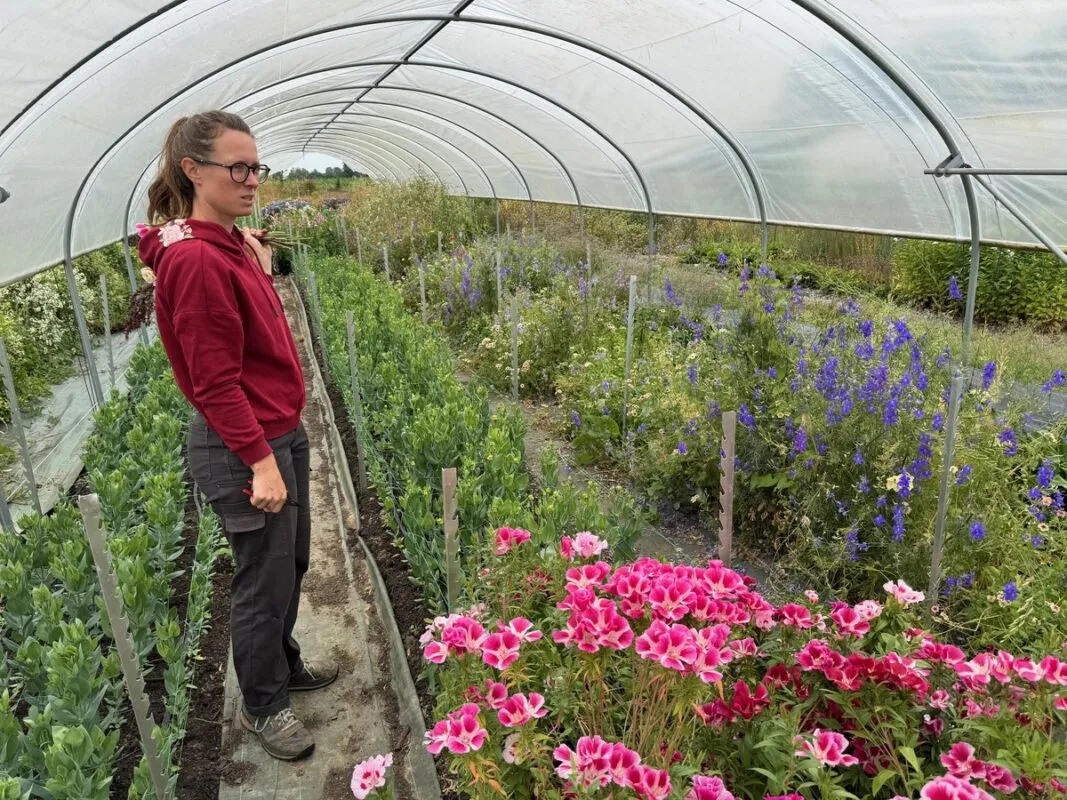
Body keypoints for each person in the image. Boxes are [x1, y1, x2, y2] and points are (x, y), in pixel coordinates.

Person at [138, 111, 337, 761]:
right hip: (245, 444)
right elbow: (215, 381)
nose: (252, 179)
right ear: (193, 170)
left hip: (281, 430)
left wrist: (253, 254)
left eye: (258, 167)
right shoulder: (196, 259)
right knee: (261, 581)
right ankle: (262, 704)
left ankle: (280, 667)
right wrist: (260, 462)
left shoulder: (224, 243)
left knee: (290, 566)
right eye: (238, 168)